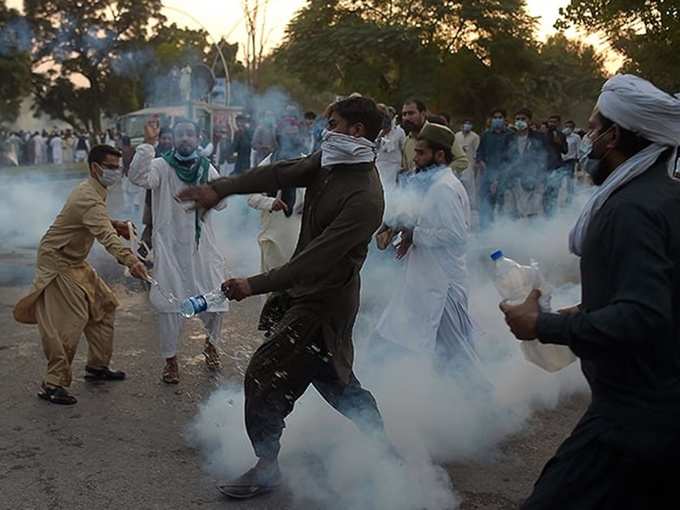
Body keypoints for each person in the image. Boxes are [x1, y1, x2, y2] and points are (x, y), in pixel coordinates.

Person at [177, 96, 390, 499]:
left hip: (324, 302)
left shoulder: (365, 197)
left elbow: (317, 258)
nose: (326, 131)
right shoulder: (331, 162)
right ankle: (382, 446)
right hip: (304, 293)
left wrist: (252, 285)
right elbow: (279, 172)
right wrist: (219, 188)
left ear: (356, 130)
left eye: (334, 123)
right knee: (334, 381)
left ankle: (267, 466)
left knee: (264, 372)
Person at [500, 74, 680, 509]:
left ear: (615, 135)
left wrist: (541, 324)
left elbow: (643, 315)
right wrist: (587, 308)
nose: (587, 138)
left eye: (594, 128)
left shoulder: (630, 209)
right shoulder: (665, 195)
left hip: (633, 417)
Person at [13, 145, 149, 405]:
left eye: (117, 167)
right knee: (70, 321)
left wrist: (115, 223)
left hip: (74, 261)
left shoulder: (94, 191)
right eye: (110, 167)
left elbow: (96, 220)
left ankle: (96, 367)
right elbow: (105, 236)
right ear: (95, 168)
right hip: (58, 261)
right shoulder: (87, 195)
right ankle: (52, 384)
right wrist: (131, 260)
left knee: (104, 305)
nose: (115, 172)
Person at [128, 118, 228, 384]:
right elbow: (137, 176)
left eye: (190, 135)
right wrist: (148, 143)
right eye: (180, 135)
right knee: (169, 306)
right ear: (172, 139)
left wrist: (214, 193)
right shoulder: (161, 166)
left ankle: (211, 346)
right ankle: (171, 362)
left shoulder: (206, 168)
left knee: (215, 300)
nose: (185, 139)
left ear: (197, 139)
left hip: (202, 250)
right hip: (170, 250)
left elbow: (222, 204)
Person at [373, 123, 480, 368]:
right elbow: (425, 223)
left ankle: (487, 403)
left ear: (440, 155)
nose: (415, 159)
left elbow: (456, 235)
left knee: (458, 361)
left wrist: (414, 236)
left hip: (442, 288)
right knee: (394, 339)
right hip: (426, 282)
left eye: (421, 153)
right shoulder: (434, 184)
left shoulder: (444, 188)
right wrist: (401, 231)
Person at [401, 99, 467, 173]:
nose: (406, 118)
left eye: (411, 113)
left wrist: (439, 176)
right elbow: (408, 169)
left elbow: (462, 161)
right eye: (404, 114)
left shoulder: (440, 132)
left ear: (423, 114)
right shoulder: (407, 142)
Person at [504, 108, 548, 219]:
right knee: (513, 212)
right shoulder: (509, 138)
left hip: (534, 179)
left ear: (529, 121)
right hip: (514, 179)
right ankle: (515, 234)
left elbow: (545, 157)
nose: (519, 121)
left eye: (523, 119)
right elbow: (505, 159)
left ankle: (531, 234)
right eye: (517, 119)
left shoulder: (539, 138)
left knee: (532, 211)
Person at [140, 127, 174, 255]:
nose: (166, 141)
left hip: (171, 199)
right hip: (153, 197)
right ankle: (141, 254)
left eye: (169, 139)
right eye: (164, 138)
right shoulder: (153, 154)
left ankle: (165, 256)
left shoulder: (177, 156)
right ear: (159, 139)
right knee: (151, 226)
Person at [476, 108, 512, 228]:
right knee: (485, 201)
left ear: (504, 119)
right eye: (495, 117)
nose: (497, 119)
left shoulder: (510, 135)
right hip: (487, 173)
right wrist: (480, 162)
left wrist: (499, 175)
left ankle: (500, 229)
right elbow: (480, 152)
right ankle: (484, 228)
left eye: (500, 117)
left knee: (501, 202)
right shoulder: (486, 135)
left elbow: (511, 156)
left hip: (503, 174)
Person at [543, 114, 569, 215]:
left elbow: (565, 151)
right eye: (550, 121)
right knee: (545, 191)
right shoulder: (543, 135)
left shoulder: (561, 135)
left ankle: (552, 212)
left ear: (558, 123)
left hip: (557, 167)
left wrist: (559, 143)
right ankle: (545, 212)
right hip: (545, 167)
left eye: (554, 122)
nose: (552, 124)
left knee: (555, 190)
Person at [375, 104, 405, 190]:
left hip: (394, 169)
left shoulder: (399, 132)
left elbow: (404, 150)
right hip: (380, 168)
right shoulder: (379, 133)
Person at [455, 119, 481, 215]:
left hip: (469, 165)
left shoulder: (475, 137)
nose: (467, 125)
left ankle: (470, 210)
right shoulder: (457, 136)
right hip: (457, 165)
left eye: (469, 124)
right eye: (465, 123)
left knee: (469, 189)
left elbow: (476, 152)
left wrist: (476, 167)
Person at [561, 120, 581, 205]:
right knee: (559, 179)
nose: (567, 128)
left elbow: (579, 149)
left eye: (570, 127)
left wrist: (579, 160)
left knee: (569, 180)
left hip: (571, 160)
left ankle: (569, 199)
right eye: (566, 126)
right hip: (561, 160)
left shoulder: (576, 137)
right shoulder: (560, 135)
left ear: (573, 128)